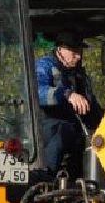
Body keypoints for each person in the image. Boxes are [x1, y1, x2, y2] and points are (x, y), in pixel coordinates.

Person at [35, 31, 99, 178]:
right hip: (48, 129)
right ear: (60, 50)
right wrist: (67, 94)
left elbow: (91, 108)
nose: (78, 56)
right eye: (74, 51)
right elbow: (38, 92)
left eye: (79, 51)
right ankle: (46, 178)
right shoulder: (44, 66)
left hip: (75, 134)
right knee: (61, 131)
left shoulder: (79, 76)